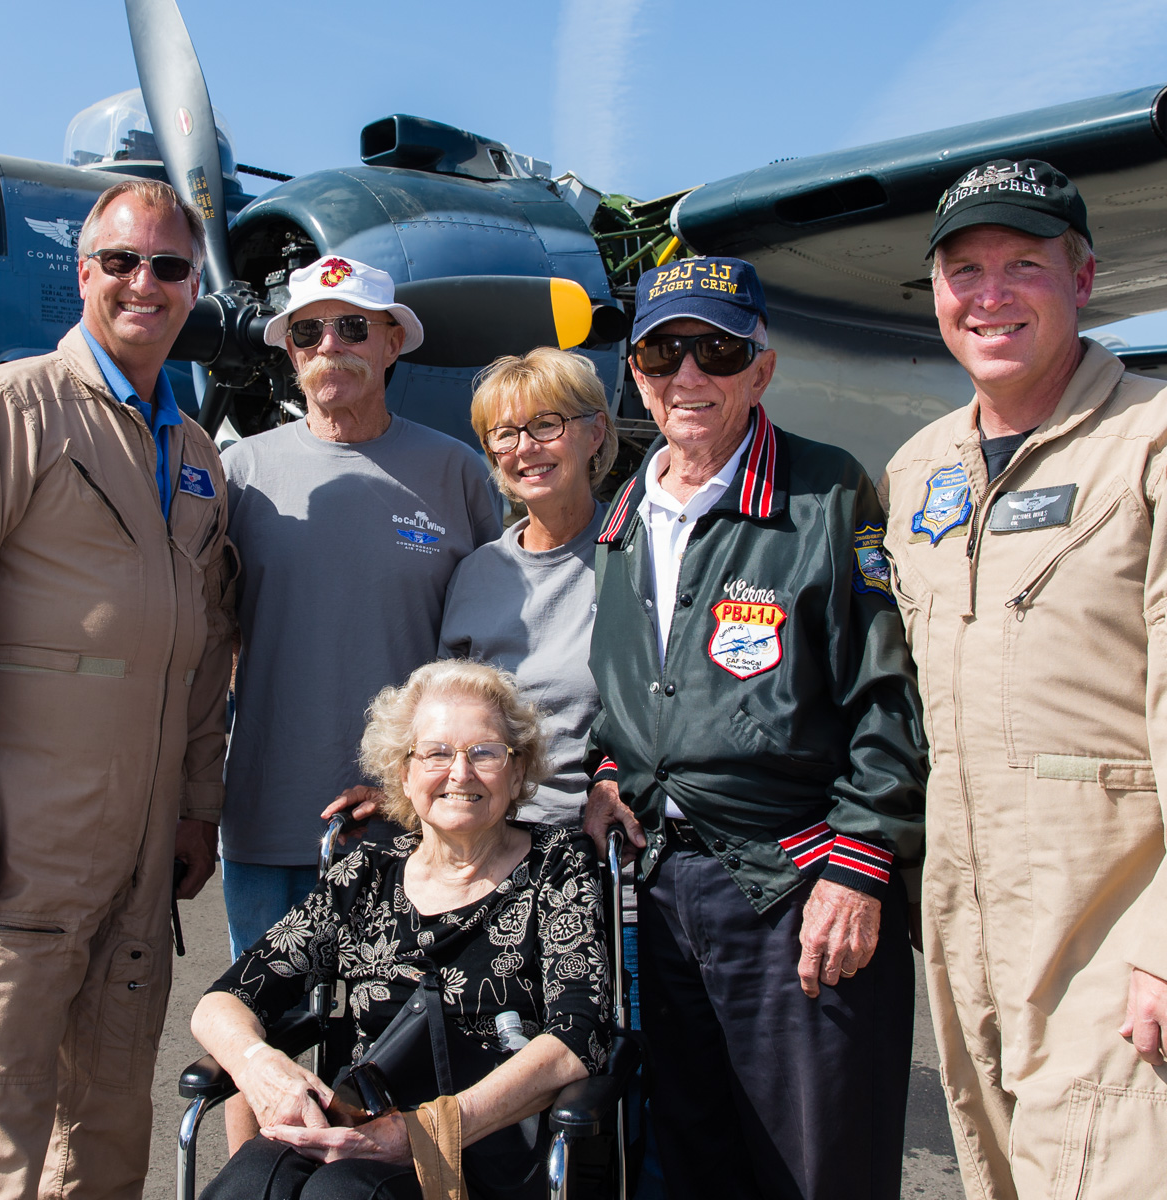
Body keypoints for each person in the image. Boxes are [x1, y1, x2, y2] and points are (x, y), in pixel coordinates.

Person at [881, 159, 1167, 1200]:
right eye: (964, 270)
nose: (988, 295)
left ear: (1083, 280)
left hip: (1123, 933)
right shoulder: (921, 470)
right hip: (970, 935)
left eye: (1022, 266)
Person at [0, 178, 237, 1200]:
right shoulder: (7, 407)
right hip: (18, 842)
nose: (143, 283)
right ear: (83, 274)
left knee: (110, 1117)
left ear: (193, 286)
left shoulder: (195, 454)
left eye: (169, 267)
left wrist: (196, 807)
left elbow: (206, 653)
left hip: (138, 853)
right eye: (120, 261)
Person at [583, 257, 928, 1200]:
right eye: (663, 351)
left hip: (790, 884)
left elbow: (887, 693)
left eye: (718, 351)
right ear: (637, 373)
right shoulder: (622, 512)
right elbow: (634, 693)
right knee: (694, 1155)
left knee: (819, 1165)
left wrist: (861, 867)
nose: (688, 376)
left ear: (760, 370)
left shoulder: (826, 493)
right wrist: (610, 772)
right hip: (658, 890)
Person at [217, 254, 501, 1144]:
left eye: (351, 327)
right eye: (308, 332)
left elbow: (493, 648)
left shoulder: (457, 473)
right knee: (257, 1051)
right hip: (266, 817)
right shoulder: (239, 473)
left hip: (417, 830)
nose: (329, 346)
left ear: (391, 343)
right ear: (289, 354)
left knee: (403, 1060)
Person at [191, 659, 612, 1200]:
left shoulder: (556, 868)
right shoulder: (365, 875)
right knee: (251, 1184)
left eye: (484, 752)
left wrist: (426, 1132)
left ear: (517, 770)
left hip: (492, 1141)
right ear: (404, 775)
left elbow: (577, 1038)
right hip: (362, 1117)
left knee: (340, 1194)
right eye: (436, 753)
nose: (460, 773)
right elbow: (221, 1002)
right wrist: (261, 1066)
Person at [429, 347, 613, 825]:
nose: (525, 448)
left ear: (595, 434)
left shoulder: (640, 555)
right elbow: (445, 715)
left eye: (546, 425)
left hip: (595, 835)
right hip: (485, 834)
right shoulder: (476, 574)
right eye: (505, 435)